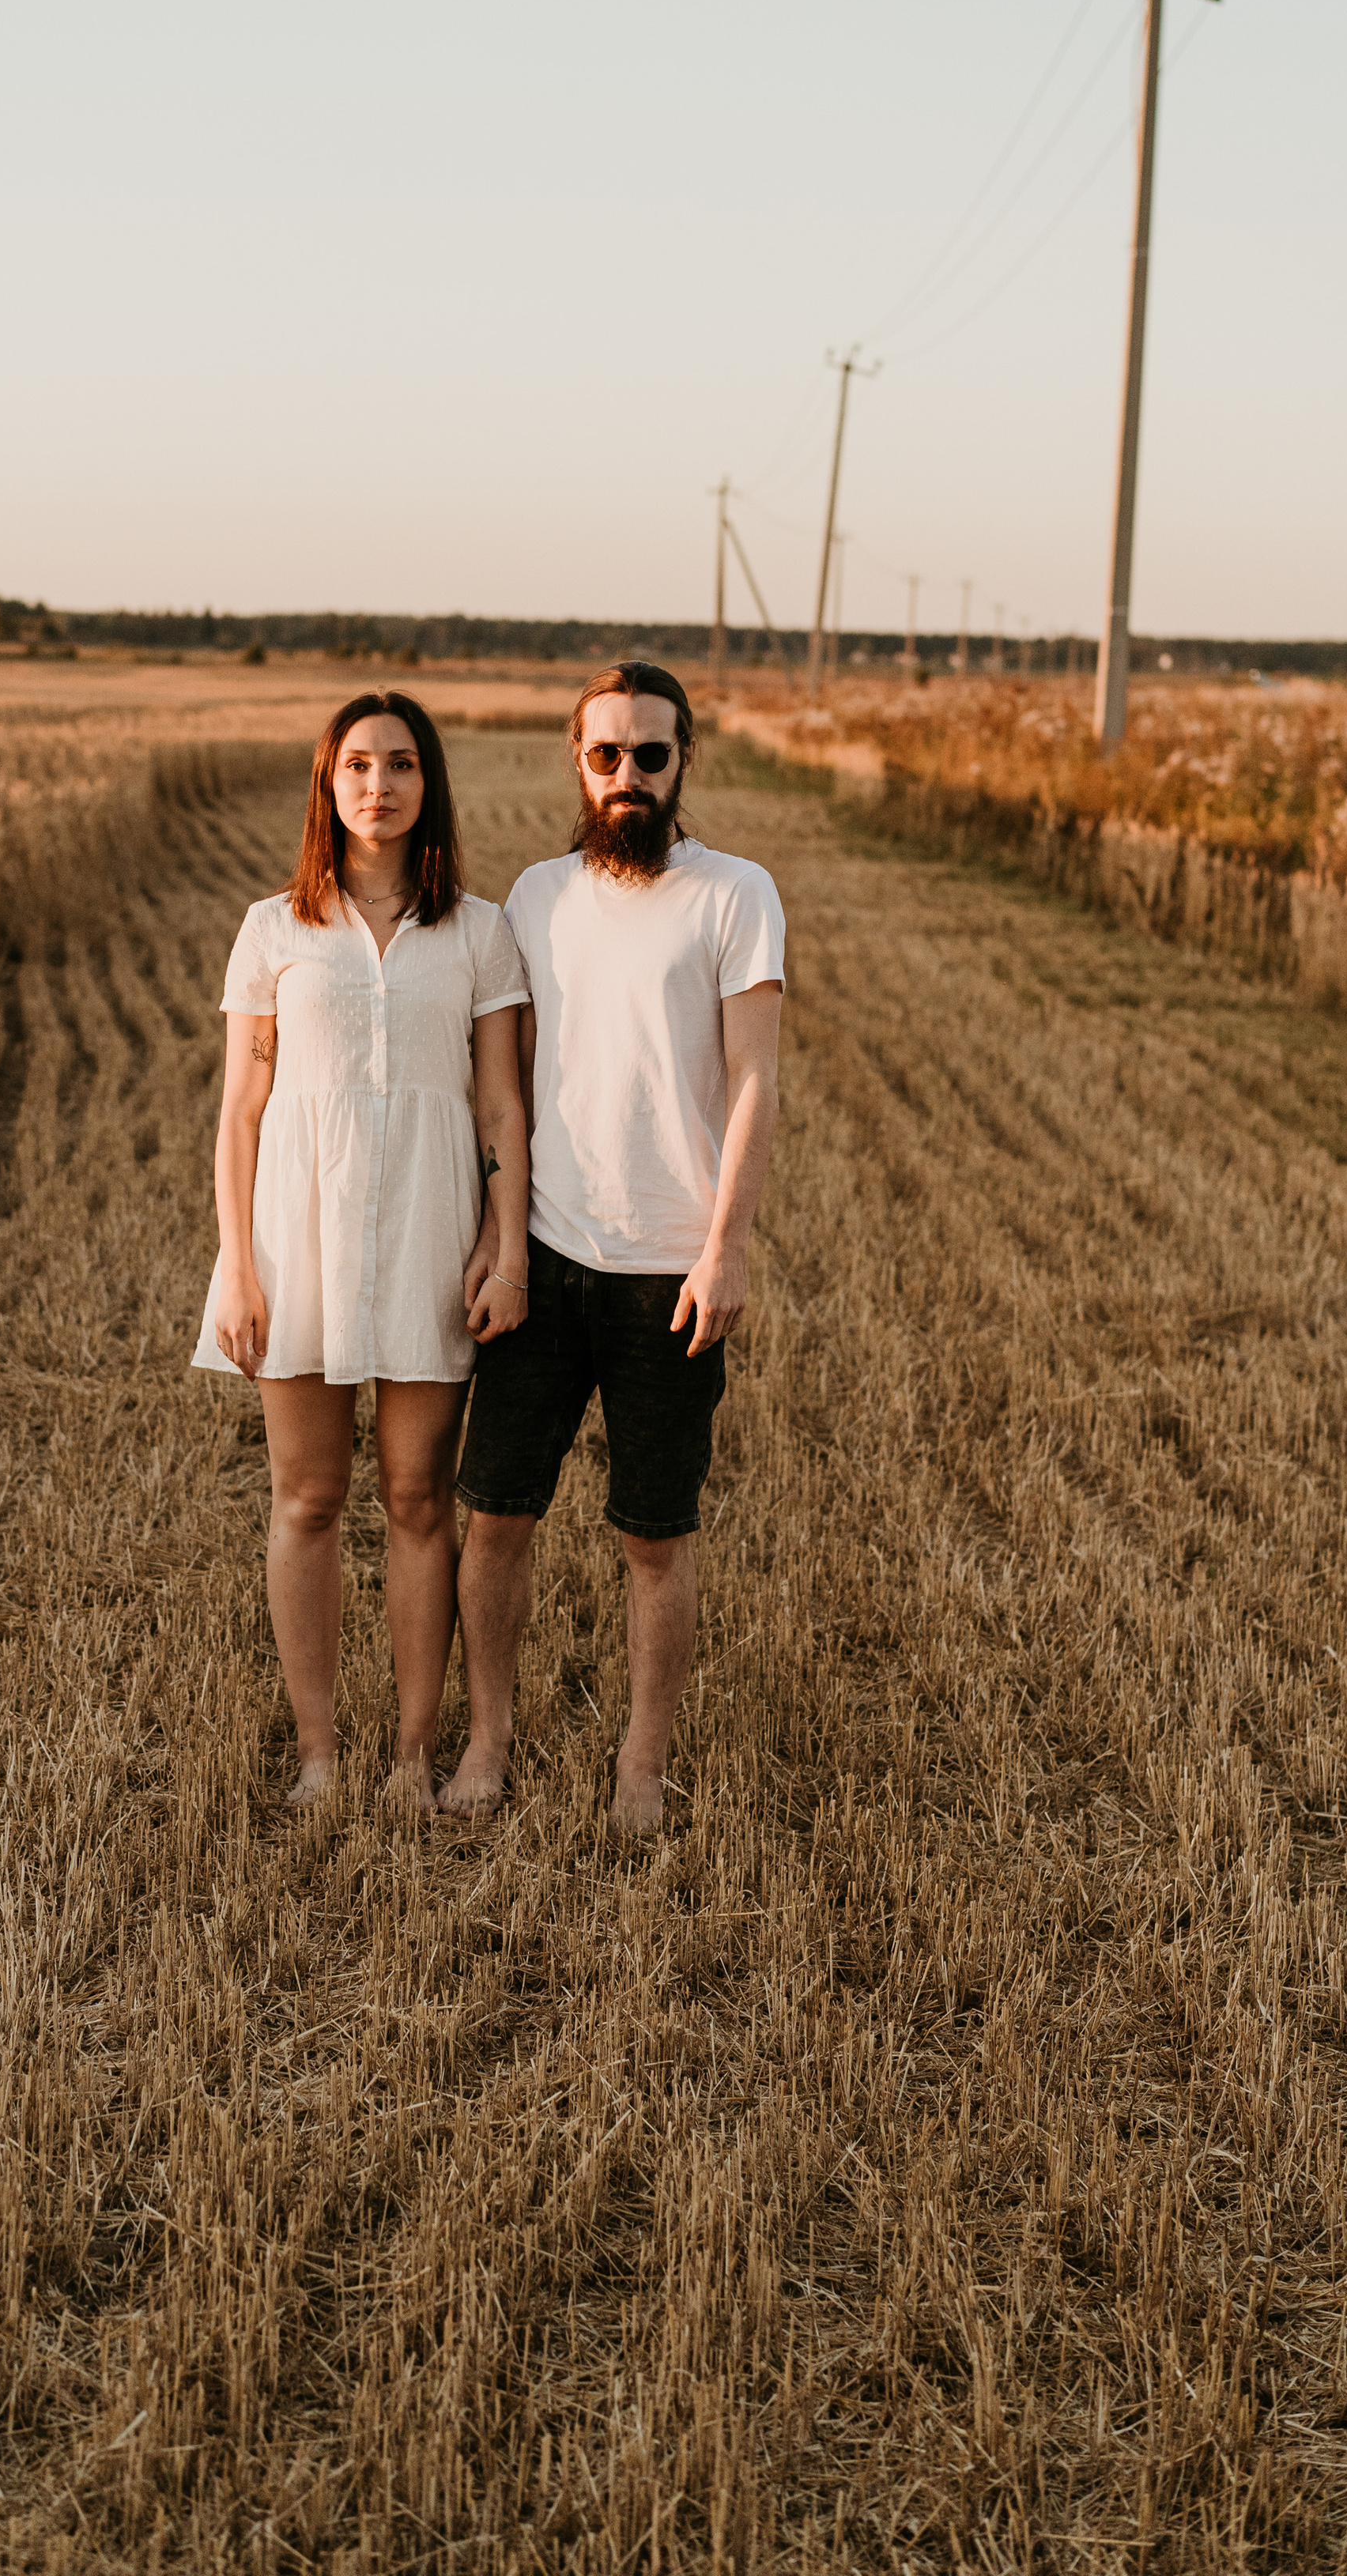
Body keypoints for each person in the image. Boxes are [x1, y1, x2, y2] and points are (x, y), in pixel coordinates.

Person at [443, 659, 784, 1834]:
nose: (628, 775)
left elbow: (755, 1082)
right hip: (544, 1263)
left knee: (654, 1536)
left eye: (651, 754)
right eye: (607, 755)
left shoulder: (737, 895)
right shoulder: (533, 898)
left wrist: (726, 1249)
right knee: (495, 1516)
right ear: (577, 762)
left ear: (686, 760)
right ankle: (488, 1742)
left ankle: (641, 1768)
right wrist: (503, 1247)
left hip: (669, 1282)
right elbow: (507, 1092)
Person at [193, 692, 530, 1810]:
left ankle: (412, 1757)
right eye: (356, 767)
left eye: (399, 765)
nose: (377, 785)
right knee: (307, 1500)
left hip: (435, 1230)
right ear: (327, 786)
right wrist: (237, 1266)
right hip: (299, 1239)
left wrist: (505, 1245)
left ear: (428, 784)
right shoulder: (272, 929)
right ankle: (321, 1755)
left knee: (420, 1499)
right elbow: (240, 1112)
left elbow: (499, 1109)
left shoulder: (480, 932)